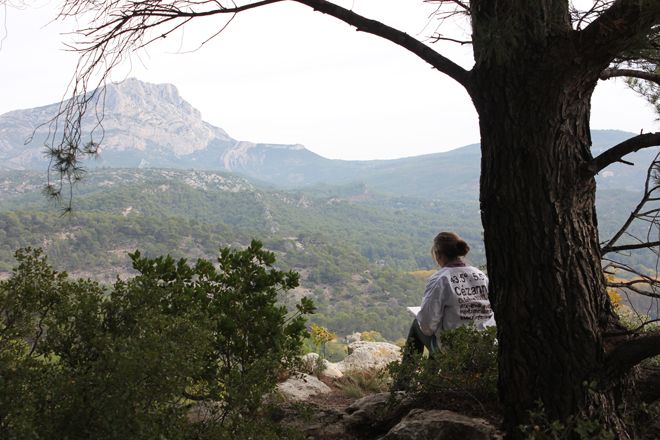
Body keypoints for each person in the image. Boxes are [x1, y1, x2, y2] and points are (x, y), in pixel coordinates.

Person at [402, 231, 494, 362]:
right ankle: (431, 379)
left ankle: (404, 380)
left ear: (437, 254)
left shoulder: (440, 279)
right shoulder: (480, 275)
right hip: (486, 346)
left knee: (418, 325)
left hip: (457, 350)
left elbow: (427, 325)